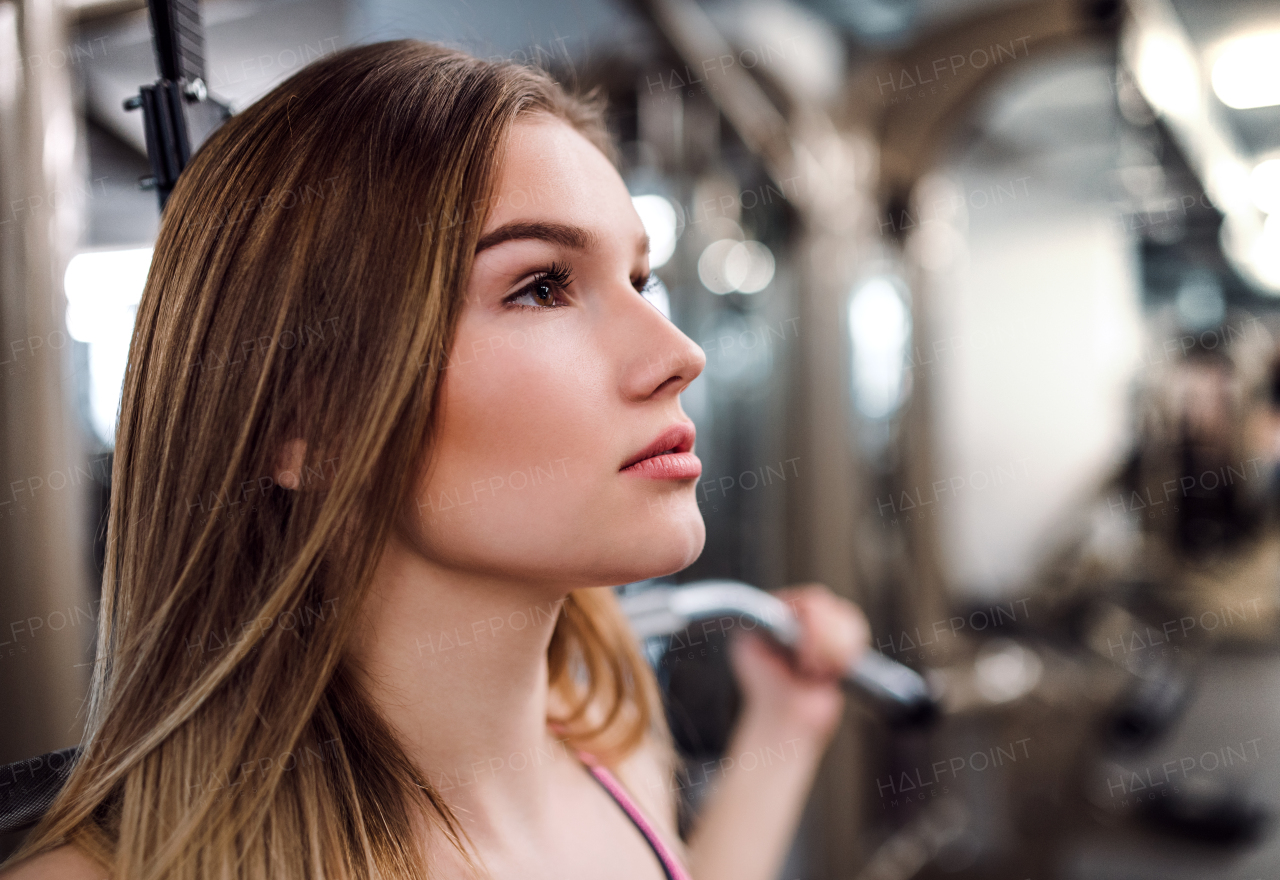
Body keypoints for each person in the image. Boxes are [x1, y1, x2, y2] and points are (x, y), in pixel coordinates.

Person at [0, 40, 869, 880]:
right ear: (308, 424)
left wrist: (785, 731)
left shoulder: (613, 752)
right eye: (540, 286)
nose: (681, 353)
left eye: (640, 282)